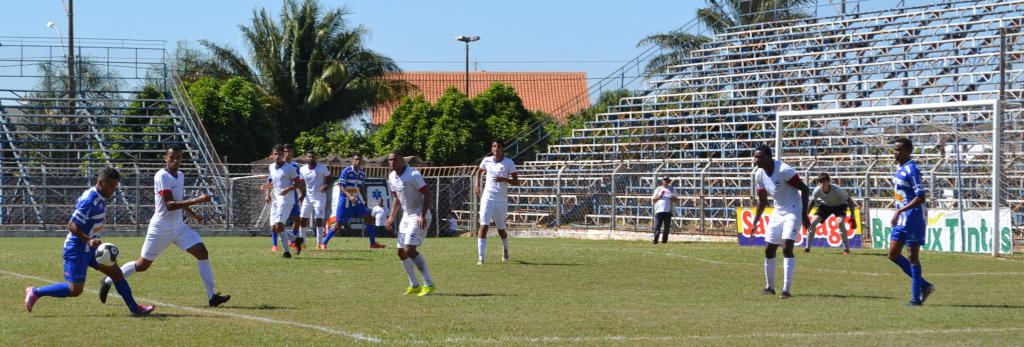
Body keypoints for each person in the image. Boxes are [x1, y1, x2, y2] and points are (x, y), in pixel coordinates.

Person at [99, 145, 230, 307]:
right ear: (165, 158)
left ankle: (212, 297)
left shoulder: (180, 176)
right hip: (161, 227)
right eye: (172, 157)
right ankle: (108, 280)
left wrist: (192, 213)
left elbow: (178, 199)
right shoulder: (161, 176)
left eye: (179, 157)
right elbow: (169, 204)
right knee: (142, 265)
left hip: (178, 226)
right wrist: (197, 200)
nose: (175, 160)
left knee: (202, 252)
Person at [25, 168, 155, 315]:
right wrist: (88, 240)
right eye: (111, 186)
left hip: (92, 248)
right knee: (75, 290)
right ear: (100, 183)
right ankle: (35, 292)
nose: (114, 190)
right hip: (77, 248)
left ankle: (135, 309)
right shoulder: (89, 201)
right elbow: (72, 225)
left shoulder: (101, 196)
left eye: (115, 186)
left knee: (117, 274)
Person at [749, 145, 811, 299]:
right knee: (769, 248)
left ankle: (786, 290)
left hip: (794, 209)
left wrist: (804, 214)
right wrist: (755, 221)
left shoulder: (784, 170)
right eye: (755, 157)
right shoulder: (759, 175)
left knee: (787, 247)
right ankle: (770, 287)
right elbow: (762, 201)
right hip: (778, 211)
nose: (756, 160)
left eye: (759, 157)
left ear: (769, 157)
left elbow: (805, 189)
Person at [888, 138, 935, 306]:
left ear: (908, 151)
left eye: (898, 150)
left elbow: (920, 197)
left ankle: (916, 299)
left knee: (912, 256)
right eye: (894, 149)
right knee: (893, 254)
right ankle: (924, 285)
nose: (895, 152)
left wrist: (900, 210)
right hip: (902, 218)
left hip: (914, 216)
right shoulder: (899, 168)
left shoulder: (912, 169)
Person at [385, 151, 435, 296]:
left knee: (409, 250)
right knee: (401, 252)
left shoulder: (413, 175)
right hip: (407, 216)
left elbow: (427, 193)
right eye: (389, 160)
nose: (392, 162)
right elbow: (397, 198)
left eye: (394, 159)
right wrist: (391, 217)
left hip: (420, 215)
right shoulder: (392, 177)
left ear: (402, 160)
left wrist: (422, 214)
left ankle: (429, 283)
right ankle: (414, 285)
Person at [325, 154, 385, 249]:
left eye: (360, 160)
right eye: (356, 159)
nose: (358, 161)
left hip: (356, 201)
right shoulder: (346, 171)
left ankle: (373, 243)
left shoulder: (361, 173)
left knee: (368, 218)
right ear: (353, 161)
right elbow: (341, 186)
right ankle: (323, 243)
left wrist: (365, 199)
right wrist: (349, 196)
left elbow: (360, 187)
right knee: (338, 224)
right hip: (345, 201)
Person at [475, 140, 519, 264]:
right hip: (487, 197)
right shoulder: (486, 160)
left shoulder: (508, 162)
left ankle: (505, 250)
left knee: (501, 229)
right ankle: (481, 258)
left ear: (502, 149)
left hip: (501, 199)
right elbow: (479, 172)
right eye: (494, 146)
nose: (496, 148)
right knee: (483, 225)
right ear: (492, 148)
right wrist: (477, 185)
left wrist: (504, 179)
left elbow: (517, 181)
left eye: (498, 146)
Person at [804, 173, 857, 254]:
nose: (822, 184)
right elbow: (811, 202)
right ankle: (807, 248)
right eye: (820, 182)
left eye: (824, 182)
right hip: (826, 205)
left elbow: (849, 200)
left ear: (828, 182)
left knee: (839, 222)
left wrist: (853, 216)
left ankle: (846, 249)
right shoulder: (817, 190)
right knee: (813, 222)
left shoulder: (836, 189)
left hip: (840, 205)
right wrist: (805, 215)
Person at [266, 144, 302, 258]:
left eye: (280, 154)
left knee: (279, 224)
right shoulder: (271, 167)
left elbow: (298, 183)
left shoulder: (290, 168)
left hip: (286, 199)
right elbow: (273, 183)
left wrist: (287, 189)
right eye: (275, 154)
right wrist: (266, 189)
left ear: (283, 154)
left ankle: (286, 252)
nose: (277, 156)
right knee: (273, 228)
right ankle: (296, 239)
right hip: (276, 198)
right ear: (272, 155)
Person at [298, 150, 333, 250]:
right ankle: (302, 243)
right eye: (309, 157)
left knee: (319, 220)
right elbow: (300, 183)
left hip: (319, 197)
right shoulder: (302, 169)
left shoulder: (322, 168)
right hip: (308, 198)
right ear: (306, 158)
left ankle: (319, 244)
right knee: (303, 219)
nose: (311, 158)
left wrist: (325, 186)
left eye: (313, 157)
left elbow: (330, 179)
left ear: (316, 158)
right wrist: (300, 194)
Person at [283, 144, 305, 250]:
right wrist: (268, 193)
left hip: (293, 195)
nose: (287, 154)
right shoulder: (278, 165)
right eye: (285, 151)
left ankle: (292, 240)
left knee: (297, 219)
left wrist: (300, 193)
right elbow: (271, 181)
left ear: (292, 153)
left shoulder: (295, 166)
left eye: (289, 151)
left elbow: (299, 182)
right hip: (281, 196)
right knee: (278, 222)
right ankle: (274, 244)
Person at [651, 176, 681, 244]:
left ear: (669, 182)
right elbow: (653, 199)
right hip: (659, 210)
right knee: (657, 226)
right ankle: (655, 240)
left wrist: (671, 197)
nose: (665, 182)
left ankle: (664, 241)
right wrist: (660, 196)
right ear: (662, 181)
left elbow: (676, 200)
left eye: (667, 181)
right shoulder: (658, 189)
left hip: (668, 210)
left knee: (667, 228)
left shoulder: (672, 189)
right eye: (664, 180)